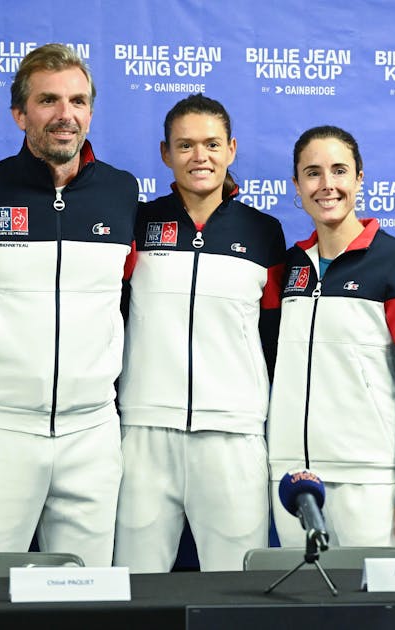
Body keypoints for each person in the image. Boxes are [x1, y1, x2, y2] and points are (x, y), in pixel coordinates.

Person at [0, 44, 138, 567]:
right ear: (20, 114)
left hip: (91, 430)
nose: (65, 114)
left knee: (85, 596)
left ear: (90, 111)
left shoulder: (121, 192)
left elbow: (128, 294)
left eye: (78, 101)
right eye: (48, 100)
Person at [114, 94, 286, 572]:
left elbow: (273, 337)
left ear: (231, 149)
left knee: (236, 588)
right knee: (134, 584)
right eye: (185, 145)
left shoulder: (264, 232)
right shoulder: (139, 223)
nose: (200, 156)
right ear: (166, 154)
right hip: (143, 430)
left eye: (211, 144)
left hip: (233, 434)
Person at [267, 125, 395, 551]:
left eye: (339, 171)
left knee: (378, 613)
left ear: (359, 178)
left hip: (371, 478)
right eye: (312, 173)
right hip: (293, 478)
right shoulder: (284, 268)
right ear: (296, 184)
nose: (327, 185)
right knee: (301, 609)